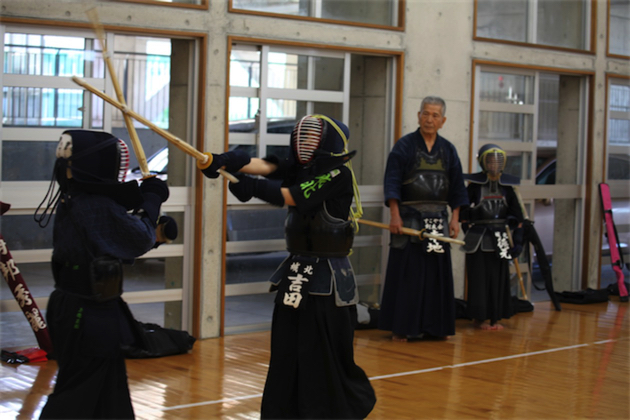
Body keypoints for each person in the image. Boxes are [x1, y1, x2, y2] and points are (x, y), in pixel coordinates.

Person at [202, 115, 376, 419]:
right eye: (300, 137)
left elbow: (291, 196)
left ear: (328, 142)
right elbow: (266, 166)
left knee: (319, 353)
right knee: (287, 350)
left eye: (311, 138)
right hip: (295, 271)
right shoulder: (299, 168)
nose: (302, 143)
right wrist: (225, 161)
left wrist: (251, 186)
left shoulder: (337, 174)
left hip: (328, 278)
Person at [35, 130, 175, 419]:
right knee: (77, 394)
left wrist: (148, 210)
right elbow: (137, 238)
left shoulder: (76, 198)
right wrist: (152, 200)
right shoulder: (93, 205)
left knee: (110, 396)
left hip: (80, 308)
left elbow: (113, 242)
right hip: (86, 314)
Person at [379, 96, 469, 342]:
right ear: (418, 116)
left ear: (443, 121)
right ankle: (402, 326)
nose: (430, 119)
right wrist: (394, 215)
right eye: (426, 114)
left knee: (435, 275)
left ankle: (435, 327)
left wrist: (455, 219)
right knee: (409, 274)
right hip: (408, 218)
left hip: (438, 219)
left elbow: (458, 188)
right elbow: (392, 182)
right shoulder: (404, 146)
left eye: (435, 115)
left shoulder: (448, 149)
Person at [460, 144, 524, 330]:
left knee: (498, 277)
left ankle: (495, 318)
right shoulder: (474, 187)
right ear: (483, 162)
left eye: (498, 161)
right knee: (479, 279)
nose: (494, 164)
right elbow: (463, 213)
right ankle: (479, 318)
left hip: (501, 237)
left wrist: (518, 241)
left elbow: (519, 218)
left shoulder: (508, 188)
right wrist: (469, 230)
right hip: (478, 237)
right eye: (490, 160)